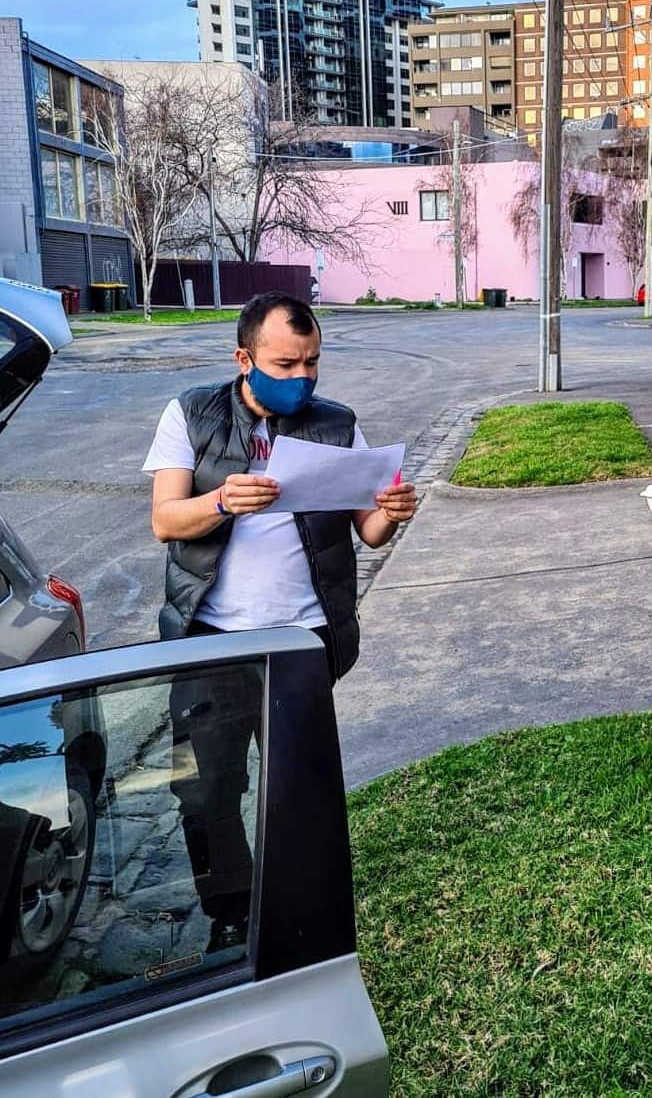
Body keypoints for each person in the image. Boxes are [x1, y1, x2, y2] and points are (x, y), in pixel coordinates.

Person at [142, 291, 417, 950]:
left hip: (301, 637)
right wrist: (222, 499)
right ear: (244, 358)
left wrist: (394, 509)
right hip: (210, 636)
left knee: (300, 783)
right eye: (286, 363)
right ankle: (231, 914)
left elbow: (369, 531)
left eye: (312, 363)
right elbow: (165, 520)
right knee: (208, 789)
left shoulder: (336, 424)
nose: (302, 378)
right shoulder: (192, 416)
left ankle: (304, 905)